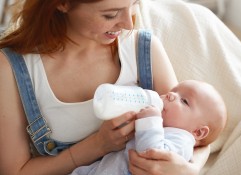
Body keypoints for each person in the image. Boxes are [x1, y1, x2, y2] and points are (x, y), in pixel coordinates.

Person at [0, 0, 209, 174]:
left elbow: (194, 131)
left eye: (135, 3)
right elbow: (16, 172)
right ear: (62, 3)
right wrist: (98, 145)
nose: (129, 24)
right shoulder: (11, 69)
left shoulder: (142, 49)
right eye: (111, 14)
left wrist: (189, 169)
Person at [71, 80, 227, 175]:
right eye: (173, 91)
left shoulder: (183, 140)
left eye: (184, 101)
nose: (171, 96)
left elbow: (153, 154)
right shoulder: (161, 125)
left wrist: (150, 120)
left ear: (198, 132)